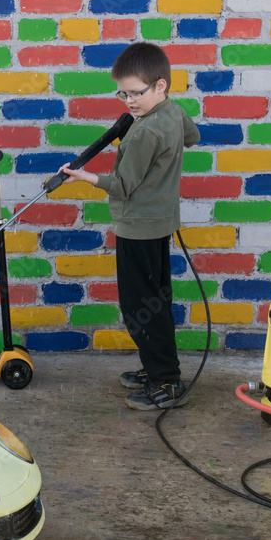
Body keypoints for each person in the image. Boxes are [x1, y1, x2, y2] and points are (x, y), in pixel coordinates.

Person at [56, 42, 200, 410]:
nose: (129, 101)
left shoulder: (144, 132)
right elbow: (191, 136)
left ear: (160, 85)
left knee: (141, 307)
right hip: (160, 222)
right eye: (123, 93)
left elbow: (121, 186)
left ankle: (166, 381)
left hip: (138, 226)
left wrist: (84, 177)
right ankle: (159, 369)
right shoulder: (170, 114)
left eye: (137, 93)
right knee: (156, 298)